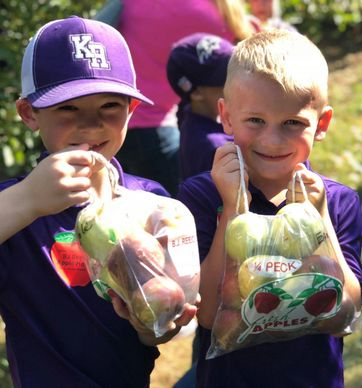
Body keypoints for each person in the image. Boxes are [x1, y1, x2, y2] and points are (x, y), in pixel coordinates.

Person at [0, 16, 198, 387]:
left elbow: (156, 331)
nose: (91, 125)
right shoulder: (14, 209)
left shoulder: (151, 204)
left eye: (109, 106)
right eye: (68, 108)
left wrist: (153, 326)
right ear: (29, 114)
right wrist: (28, 200)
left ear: (132, 111)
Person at [177, 30, 362, 387]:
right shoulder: (202, 196)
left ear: (321, 124)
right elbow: (206, 314)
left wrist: (320, 219)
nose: (272, 140)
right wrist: (233, 210)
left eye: (292, 123)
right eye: (255, 121)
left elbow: (348, 308)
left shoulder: (339, 202)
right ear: (227, 117)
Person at [115, 0, 255, 197]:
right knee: (173, 210)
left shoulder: (137, 4)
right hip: (153, 126)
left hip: (117, 115)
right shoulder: (209, 11)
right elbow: (243, 52)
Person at [167, 33, 234, 180]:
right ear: (196, 93)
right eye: (228, 79)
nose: (239, 82)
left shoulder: (191, 115)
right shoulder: (215, 147)